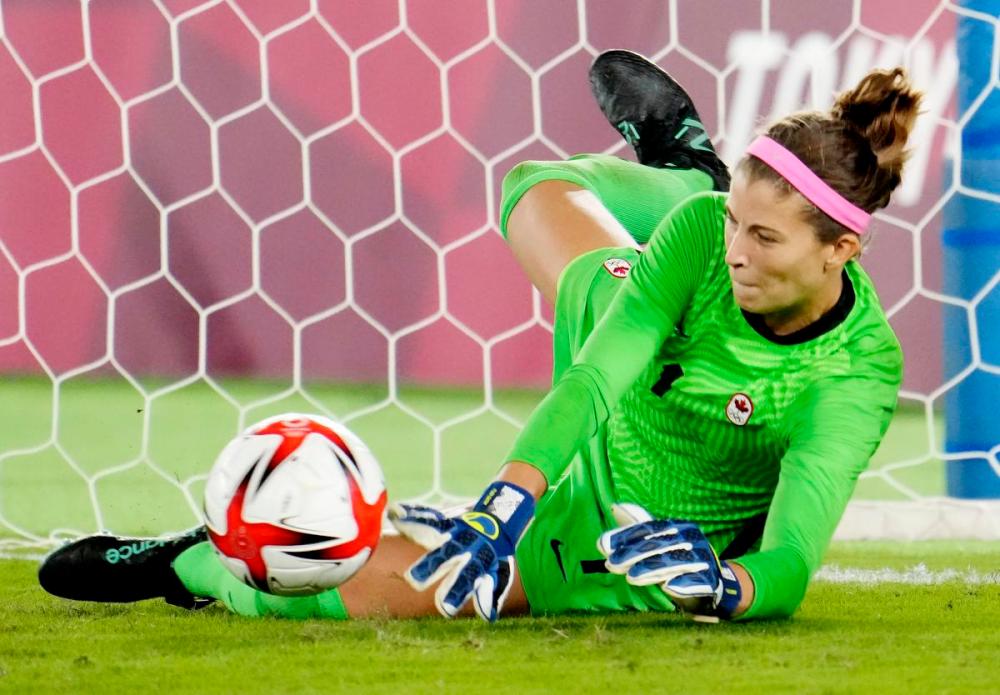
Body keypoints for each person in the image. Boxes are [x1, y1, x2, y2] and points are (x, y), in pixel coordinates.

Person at [38, 50, 922, 623]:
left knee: (323, 597)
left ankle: (191, 557)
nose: (737, 251)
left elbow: (794, 558)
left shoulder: (857, 372)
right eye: (734, 222)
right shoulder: (702, 241)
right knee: (536, 189)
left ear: (842, 250)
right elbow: (594, 378)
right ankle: (693, 171)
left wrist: (727, 586)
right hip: (614, 355)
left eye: (764, 237)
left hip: (625, 534)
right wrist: (506, 498)